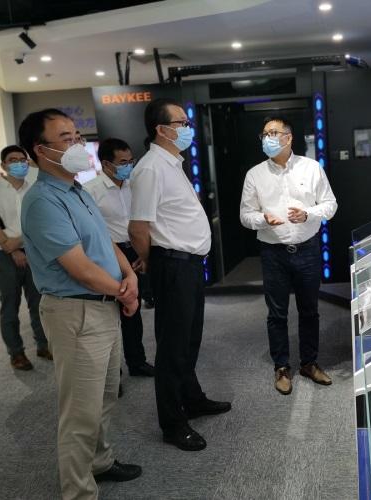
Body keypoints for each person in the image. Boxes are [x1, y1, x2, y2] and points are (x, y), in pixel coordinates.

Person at [19, 108, 142, 499]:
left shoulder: (77, 190)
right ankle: (78, 492)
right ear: (41, 150)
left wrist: (129, 276)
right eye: (66, 138)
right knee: (79, 413)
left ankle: (99, 463)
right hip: (77, 312)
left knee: (105, 397)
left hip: (103, 305)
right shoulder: (42, 201)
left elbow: (105, 242)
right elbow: (79, 268)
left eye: (77, 136)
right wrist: (122, 291)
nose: (77, 145)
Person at [129, 98, 231, 452]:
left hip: (187, 265)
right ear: (161, 129)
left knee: (189, 340)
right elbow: (138, 228)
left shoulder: (172, 163)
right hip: (171, 265)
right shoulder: (150, 168)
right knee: (173, 348)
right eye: (181, 123)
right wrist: (151, 262)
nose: (188, 128)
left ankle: (192, 398)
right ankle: (172, 423)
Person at [240, 115, 337, 395]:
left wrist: (308, 214)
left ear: (289, 137)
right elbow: (245, 215)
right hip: (273, 253)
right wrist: (263, 219)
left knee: (310, 310)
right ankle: (281, 366)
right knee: (277, 313)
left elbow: (330, 205)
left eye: (273, 133)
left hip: (307, 249)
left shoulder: (311, 168)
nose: (268, 138)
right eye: (264, 134)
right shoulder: (255, 174)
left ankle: (309, 363)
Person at [84, 138, 155, 378]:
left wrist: (143, 251)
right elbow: (91, 231)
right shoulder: (90, 191)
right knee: (110, 315)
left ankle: (137, 362)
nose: (129, 166)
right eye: (123, 162)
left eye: (131, 160)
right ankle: (112, 372)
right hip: (108, 254)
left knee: (133, 309)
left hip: (135, 251)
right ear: (106, 164)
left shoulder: (135, 185)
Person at [0, 145, 51, 370]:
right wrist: (13, 249)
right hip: (3, 255)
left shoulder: (35, 188)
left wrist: (18, 243)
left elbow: (41, 221)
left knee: (39, 303)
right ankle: (16, 353)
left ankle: (43, 344)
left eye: (22, 159)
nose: (19, 163)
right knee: (9, 305)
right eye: (13, 160)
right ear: (3, 165)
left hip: (34, 253)